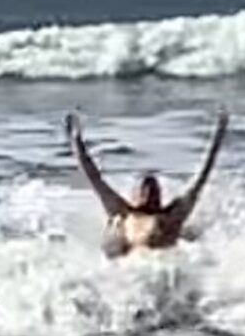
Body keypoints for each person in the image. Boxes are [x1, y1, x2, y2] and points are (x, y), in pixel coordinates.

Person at [66, 109, 229, 256]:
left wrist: (218, 134)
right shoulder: (122, 213)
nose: (149, 193)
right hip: (131, 270)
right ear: (133, 195)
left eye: (154, 189)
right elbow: (94, 178)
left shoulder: (173, 215)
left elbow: (202, 177)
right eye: (144, 189)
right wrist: (76, 142)